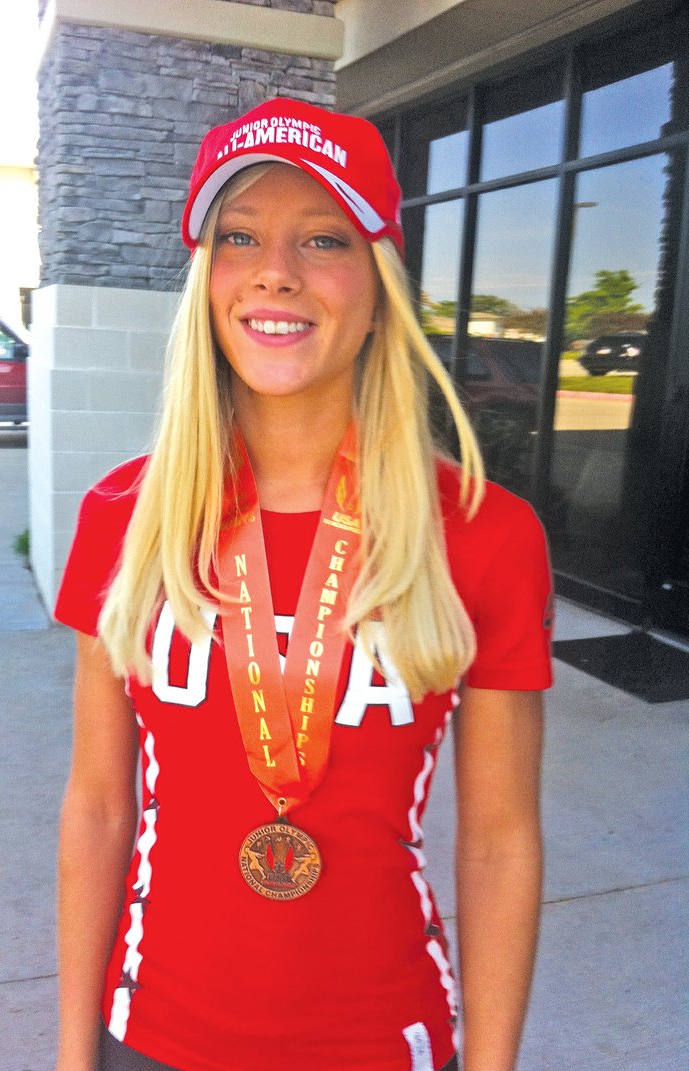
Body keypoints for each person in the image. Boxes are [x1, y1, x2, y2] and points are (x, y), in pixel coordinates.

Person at [53, 97, 552, 1071]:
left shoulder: (487, 536)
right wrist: (76, 1055)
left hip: (389, 1043)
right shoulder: (123, 516)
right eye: (237, 237)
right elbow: (99, 807)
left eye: (321, 237)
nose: (273, 269)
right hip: (149, 1040)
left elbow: (497, 845)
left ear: (378, 293)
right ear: (207, 283)